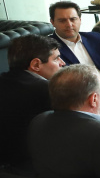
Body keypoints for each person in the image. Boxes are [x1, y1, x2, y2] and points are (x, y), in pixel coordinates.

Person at [0, 35, 64, 170]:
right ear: (36, 65)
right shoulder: (48, 89)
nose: (62, 63)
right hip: (33, 168)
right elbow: (77, 124)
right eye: (56, 59)